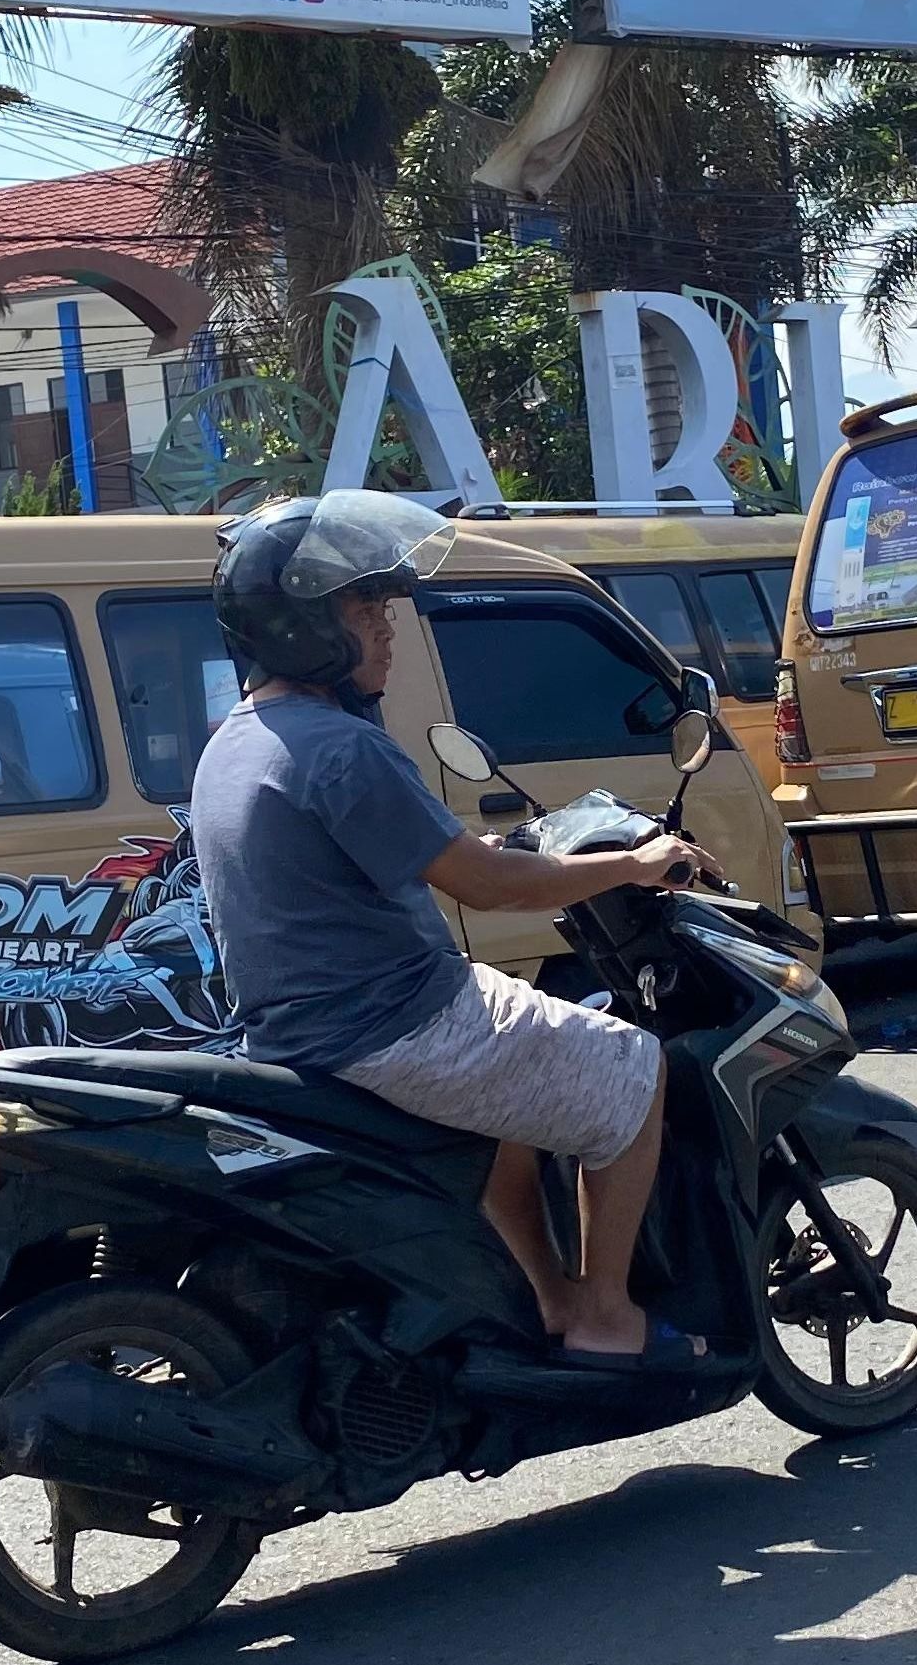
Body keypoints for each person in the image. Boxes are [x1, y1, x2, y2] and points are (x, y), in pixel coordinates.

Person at [189, 491, 719, 1366]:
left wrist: (505, 846)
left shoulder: (242, 741)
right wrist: (632, 864)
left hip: (302, 1028)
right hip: (399, 1025)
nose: (389, 627)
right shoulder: (339, 746)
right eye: (366, 609)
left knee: (523, 1085)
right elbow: (488, 888)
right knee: (635, 1066)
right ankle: (605, 1315)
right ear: (304, 628)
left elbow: (425, 848)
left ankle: (546, 1297)